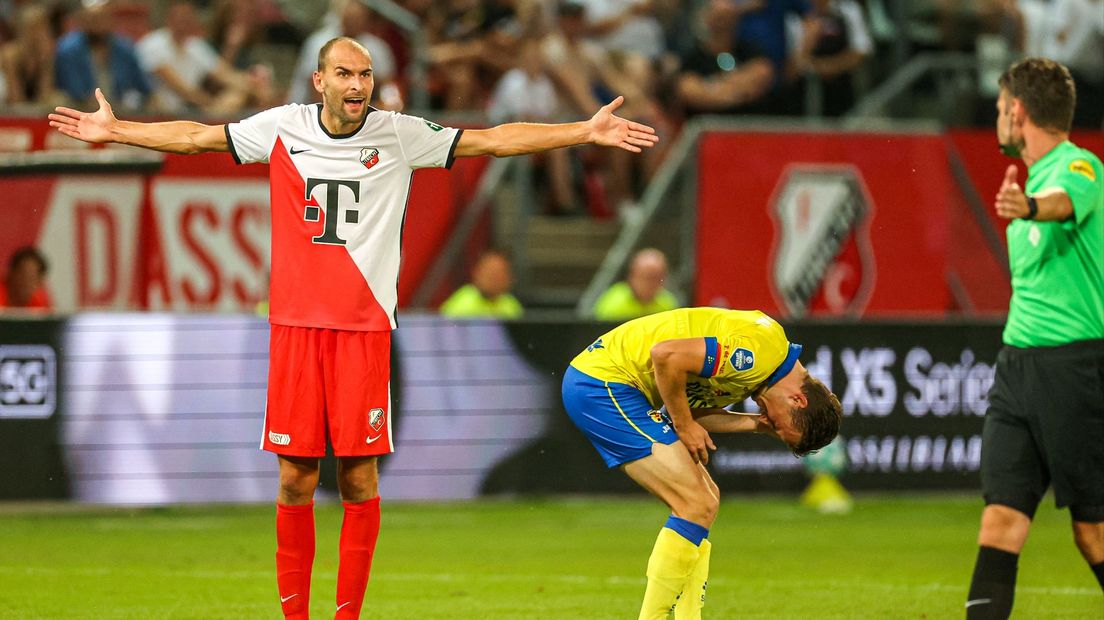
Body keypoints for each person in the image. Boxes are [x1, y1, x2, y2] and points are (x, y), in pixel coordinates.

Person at [48, 36, 658, 619]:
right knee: (295, 478)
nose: (357, 83)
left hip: (363, 333)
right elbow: (194, 137)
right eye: (344, 73)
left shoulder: (399, 135)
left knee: (359, 478)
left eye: (364, 74)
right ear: (320, 82)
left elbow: (495, 140)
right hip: (294, 329)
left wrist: (584, 130)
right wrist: (117, 128)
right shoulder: (282, 125)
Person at [562, 307, 842, 619]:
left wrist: (756, 424)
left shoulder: (761, 372)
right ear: (798, 400)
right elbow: (666, 356)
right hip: (602, 384)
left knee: (707, 501)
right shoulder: (757, 355)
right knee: (695, 503)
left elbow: (685, 406)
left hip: (611, 386)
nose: (770, 423)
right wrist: (682, 426)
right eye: (779, 426)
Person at [965, 57, 1103, 619]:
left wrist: (1030, 208)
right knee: (1000, 521)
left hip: (1073, 367)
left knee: (1092, 532)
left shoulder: (1081, 166)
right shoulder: (1025, 178)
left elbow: (1065, 204)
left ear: (1017, 113)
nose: (999, 119)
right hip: (1017, 365)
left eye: (1001, 110)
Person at [136, 0, 276, 116]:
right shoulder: (152, 44)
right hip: (155, 112)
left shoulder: (195, 46)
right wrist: (212, 107)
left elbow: (225, 74)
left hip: (191, 111)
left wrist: (256, 87)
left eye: (187, 17)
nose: (183, 22)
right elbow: (182, 90)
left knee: (238, 96)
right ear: (169, 19)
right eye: (179, 17)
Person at [54, 0, 151, 111]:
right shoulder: (68, 49)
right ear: (82, 21)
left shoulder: (124, 48)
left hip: (117, 106)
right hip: (78, 106)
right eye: (92, 19)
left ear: (110, 21)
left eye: (101, 19)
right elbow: (73, 88)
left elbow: (143, 85)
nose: (97, 25)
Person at [593, 247, 679, 321]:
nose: (652, 283)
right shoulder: (613, 302)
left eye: (658, 277)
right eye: (647, 277)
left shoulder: (668, 303)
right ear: (632, 276)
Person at [439, 249, 524, 319]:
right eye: (490, 274)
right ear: (477, 274)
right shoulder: (462, 303)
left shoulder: (511, 305)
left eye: (500, 275)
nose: (495, 280)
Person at [0, 246, 52, 312]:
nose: (26, 282)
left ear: (40, 282)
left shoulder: (39, 302)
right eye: (22, 275)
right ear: (11, 273)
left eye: (32, 277)